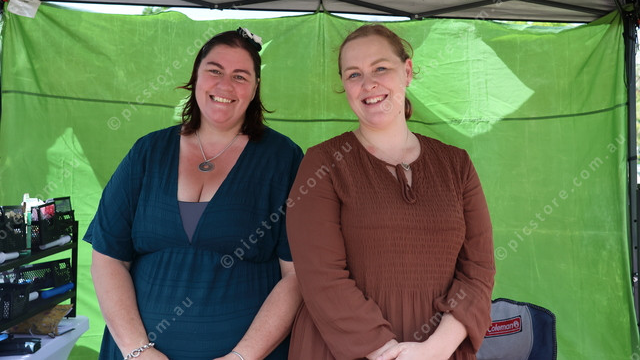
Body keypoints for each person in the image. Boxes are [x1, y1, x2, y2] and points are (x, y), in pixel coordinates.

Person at [84, 28, 303, 360]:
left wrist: (241, 357)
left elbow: (296, 276)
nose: (225, 85)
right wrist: (137, 350)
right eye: (214, 70)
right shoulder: (148, 152)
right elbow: (108, 257)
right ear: (196, 76)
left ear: (255, 87)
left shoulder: (282, 160)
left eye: (240, 76)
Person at [287, 24, 495, 360]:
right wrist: (387, 353)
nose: (368, 83)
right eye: (354, 74)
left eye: (380, 68)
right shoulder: (322, 164)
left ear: (407, 71)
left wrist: (434, 349)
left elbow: (479, 270)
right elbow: (320, 276)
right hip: (345, 350)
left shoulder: (457, 165)